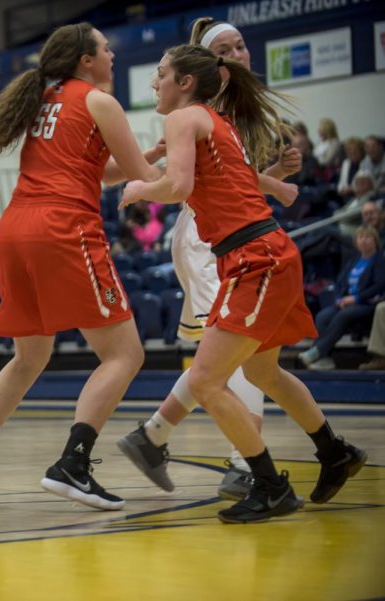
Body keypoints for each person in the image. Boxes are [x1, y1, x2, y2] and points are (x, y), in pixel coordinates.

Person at [120, 43, 366, 523]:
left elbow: (178, 187)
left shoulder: (185, 118)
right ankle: (334, 453)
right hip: (263, 254)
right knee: (261, 373)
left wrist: (139, 190)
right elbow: (230, 185)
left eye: (161, 73)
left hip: (256, 259)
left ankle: (270, 485)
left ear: (185, 82)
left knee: (208, 381)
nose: (154, 82)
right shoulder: (218, 123)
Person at [0, 22, 164, 511]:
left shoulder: (46, 98)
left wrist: (148, 157)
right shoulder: (101, 101)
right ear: (87, 59)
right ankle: (73, 464)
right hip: (64, 229)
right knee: (125, 355)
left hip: (15, 228)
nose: (112, 55)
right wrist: (182, 169)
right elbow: (144, 180)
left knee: (30, 357)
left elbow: (94, 171)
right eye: (106, 49)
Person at [118, 17, 302, 500]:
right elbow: (184, 181)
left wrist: (275, 179)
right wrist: (277, 184)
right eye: (224, 48)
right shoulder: (198, 107)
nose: (236, 54)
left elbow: (231, 175)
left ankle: (153, 434)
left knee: (224, 357)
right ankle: (246, 463)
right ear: (203, 66)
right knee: (232, 359)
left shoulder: (222, 107)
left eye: (241, 45)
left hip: (227, 237)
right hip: (209, 239)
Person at [297, 226, 385, 370]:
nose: (364, 241)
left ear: (375, 240)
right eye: (361, 237)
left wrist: (355, 299)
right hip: (347, 302)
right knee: (322, 316)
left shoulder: (379, 260)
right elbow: (340, 282)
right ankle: (325, 358)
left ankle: (317, 351)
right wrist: (339, 298)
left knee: (343, 315)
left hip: (367, 303)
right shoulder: (354, 259)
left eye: (368, 237)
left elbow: (378, 286)